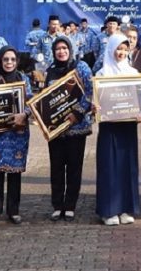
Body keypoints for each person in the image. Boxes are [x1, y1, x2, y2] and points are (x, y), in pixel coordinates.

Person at [94, 33, 141, 225]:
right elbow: (95, 101)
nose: (121, 52)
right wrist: (95, 107)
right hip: (109, 128)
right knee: (109, 166)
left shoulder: (134, 73)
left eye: (124, 49)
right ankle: (108, 211)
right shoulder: (102, 74)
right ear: (110, 49)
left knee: (127, 166)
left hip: (128, 127)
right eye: (118, 49)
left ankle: (126, 208)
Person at [45, 35, 93, 222]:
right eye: (58, 49)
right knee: (56, 168)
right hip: (56, 129)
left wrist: (77, 114)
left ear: (71, 49)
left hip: (76, 127)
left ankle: (70, 205)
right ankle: (57, 205)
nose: (61, 52)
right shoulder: (50, 70)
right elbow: (45, 99)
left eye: (65, 48)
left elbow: (90, 93)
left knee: (74, 167)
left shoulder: (81, 67)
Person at [0, 46, 32, 225]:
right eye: (5, 59)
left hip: (17, 132)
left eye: (12, 59)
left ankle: (13, 210)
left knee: (14, 173)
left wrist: (25, 114)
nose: (9, 62)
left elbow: (31, 102)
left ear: (17, 61)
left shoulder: (23, 79)